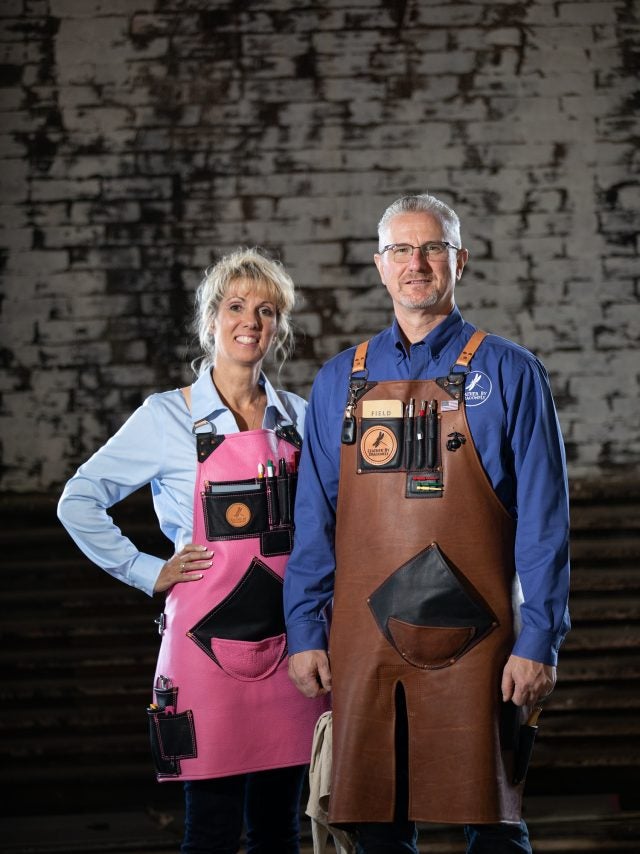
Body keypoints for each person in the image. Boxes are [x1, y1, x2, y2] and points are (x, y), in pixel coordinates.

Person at [284, 194, 571, 853]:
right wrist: (305, 629)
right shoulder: (338, 381)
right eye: (401, 250)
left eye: (433, 248)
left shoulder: (511, 372)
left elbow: (545, 522)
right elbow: (315, 520)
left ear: (459, 261)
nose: (417, 263)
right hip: (363, 642)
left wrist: (540, 640)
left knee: (495, 827)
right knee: (378, 829)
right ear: (380, 265)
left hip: (483, 640)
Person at [58, 247, 330, 854]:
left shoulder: (299, 417)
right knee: (209, 832)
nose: (250, 321)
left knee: (278, 832)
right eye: (235, 306)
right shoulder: (165, 417)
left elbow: (327, 526)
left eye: (266, 311)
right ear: (210, 320)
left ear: (278, 327)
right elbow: (78, 499)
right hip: (203, 653)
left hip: (291, 647)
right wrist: (147, 570)